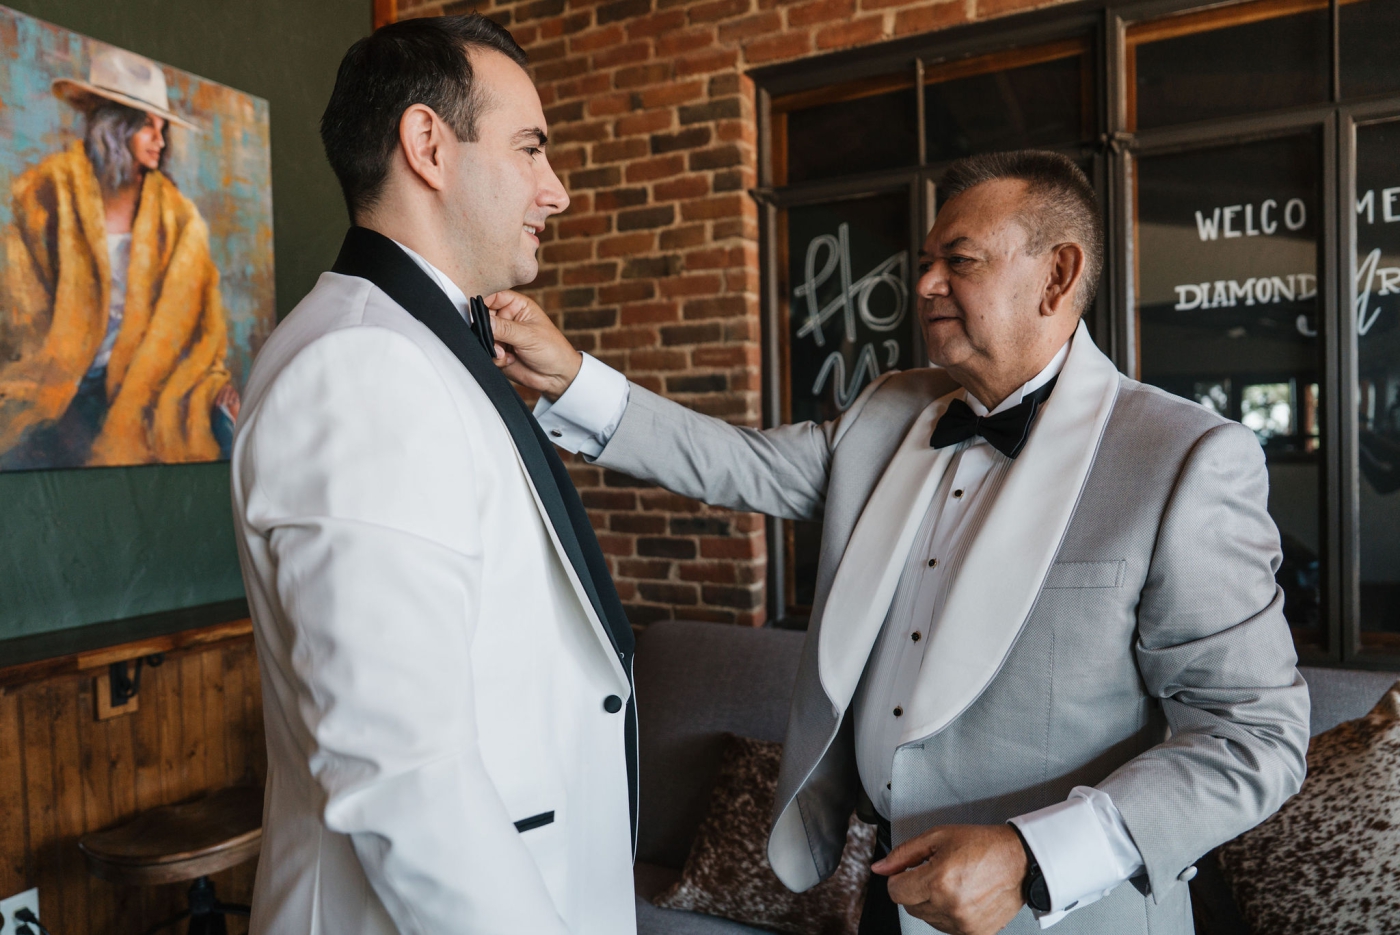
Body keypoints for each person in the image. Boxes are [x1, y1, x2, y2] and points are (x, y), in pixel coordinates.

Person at [489, 150, 1309, 935]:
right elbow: (736, 464)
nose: (923, 284)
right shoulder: (890, 409)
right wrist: (568, 376)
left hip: (1062, 913)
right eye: (925, 260)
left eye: (960, 259)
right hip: (882, 894)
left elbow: (1256, 735)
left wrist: (1032, 855)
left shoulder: (1186, 457)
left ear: (1056, 275)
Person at [230, 16, 636, 935]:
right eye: (531, 148)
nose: (556, 190)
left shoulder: (412, 346)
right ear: (428, 146)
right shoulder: (363, 367)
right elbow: (402, 774)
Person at [0, 46, 237, 469]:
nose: (160, 141)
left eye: (162, 128)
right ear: (113, 128)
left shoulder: (180, 219)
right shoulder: (44, 194)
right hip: (59, 378)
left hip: (145, 380)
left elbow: (202, 328)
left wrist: (215, 386)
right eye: (147, 127)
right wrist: (57, 369)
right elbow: (22, 311)